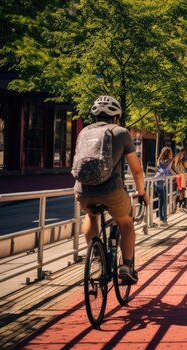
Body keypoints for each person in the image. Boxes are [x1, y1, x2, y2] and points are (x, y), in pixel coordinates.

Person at [73, 96, 149, 284]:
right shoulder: (121, 132)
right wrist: (142, 192)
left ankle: (97, 257)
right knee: (126, 222)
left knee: (91, 216)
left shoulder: (83, 132)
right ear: (116, 116)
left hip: (83, 191)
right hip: (111, 190)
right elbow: (137, 169)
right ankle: (127, 266)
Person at [154, 147, 173, 226]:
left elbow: (158, 169)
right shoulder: (170, 160)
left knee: (160, 200)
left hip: (156, 180)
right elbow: (170, 170)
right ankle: (164, 219)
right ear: (168, 153)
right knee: (165, 200)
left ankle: (161, 218)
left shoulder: (159, 160)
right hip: (164, 181)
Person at [173, 147, 187, 211]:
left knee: (180, 190)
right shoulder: (182, 160)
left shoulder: (175, 159)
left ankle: (179, 204)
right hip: (182, 177)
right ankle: (181, 204)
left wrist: (175, 173)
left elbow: (172, 167)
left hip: (177, 176)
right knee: (182, 190)